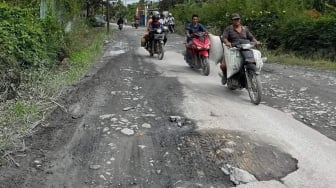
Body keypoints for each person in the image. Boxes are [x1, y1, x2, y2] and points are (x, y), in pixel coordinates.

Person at [220, 13, 261, 85]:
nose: (237, 20)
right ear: (232, 20)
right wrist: (227, 42)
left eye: (238, 19)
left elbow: (251, 37)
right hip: (233, 49)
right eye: (235, 19)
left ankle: (247, 75)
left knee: (253, 58)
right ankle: (225, 75)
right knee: (223, 65)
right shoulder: (228, 29)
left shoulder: (244, 29)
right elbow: (224, 37)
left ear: (240, 20)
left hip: (245, 48)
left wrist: (256, 41)